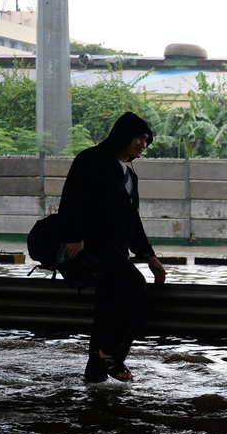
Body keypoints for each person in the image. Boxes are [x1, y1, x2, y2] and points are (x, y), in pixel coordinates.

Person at [57, 111, 167, 382]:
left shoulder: (129, 173)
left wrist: (148, 255)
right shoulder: (90, 159)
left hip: (116, 249)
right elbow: (72, 199)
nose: (143, 143)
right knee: (135, 286)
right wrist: (74, 237)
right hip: (93, 247)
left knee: (107, 309)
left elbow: (133, 219)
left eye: (146, 139)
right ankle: (111, 354)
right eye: (138, 137)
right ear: (123, 136)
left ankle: (95, 375)